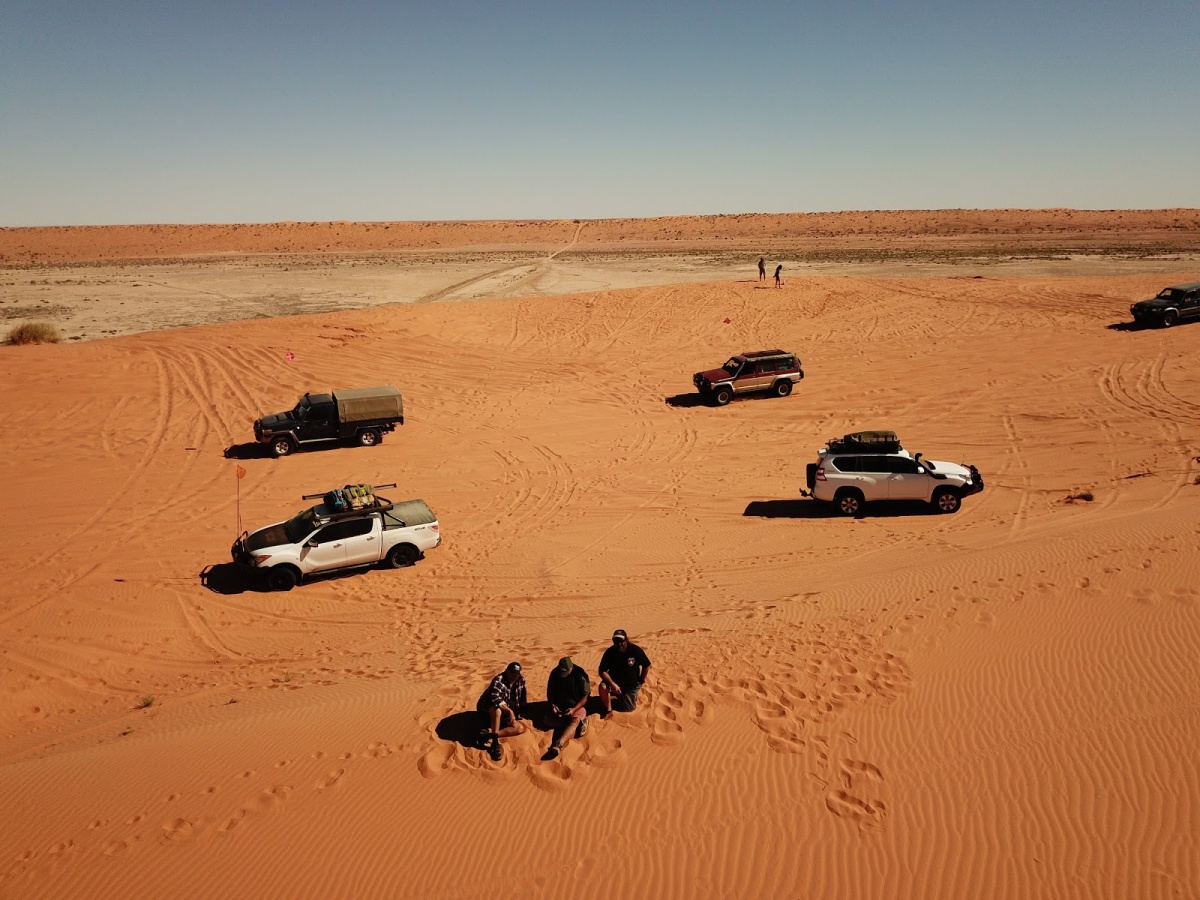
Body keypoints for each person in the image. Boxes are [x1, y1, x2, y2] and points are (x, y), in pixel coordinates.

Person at [476, 661, 527, 761]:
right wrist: (510, 712)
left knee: (519, 728)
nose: (514, 677)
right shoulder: (498, 681)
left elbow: (522, 698)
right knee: (497, 710)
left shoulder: (520, 680)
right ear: (507, 671)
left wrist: (518, 712)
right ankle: (494, 743)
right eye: (512, 674)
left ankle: (489, 734)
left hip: (506, 711)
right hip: (486, 710)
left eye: (516, 675)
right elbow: (496, 700)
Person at [542, 657, 591, 761]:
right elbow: (550, 693)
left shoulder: (580, 674)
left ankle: (558, 744)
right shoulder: (555, 673)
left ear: (571, 668)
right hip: (560, 707)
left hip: (577, 706)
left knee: (575, 720)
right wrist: (553, 705)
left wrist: (573, 709)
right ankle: (576, 725)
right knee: (546, 721)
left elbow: (585, 696)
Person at [598, 629, 651, 719]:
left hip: (630, 686)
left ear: (626, 639)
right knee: (602, 687)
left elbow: (646, 665)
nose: (619, 644)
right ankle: (608, 708)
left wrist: (641, 681)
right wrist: (612, 684)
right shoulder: (610, 652)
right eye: (616, 641)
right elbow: (602, 670)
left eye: (621, 641)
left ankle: (617, 698)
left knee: (629, 708)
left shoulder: (635, 650)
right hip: (614, 684)